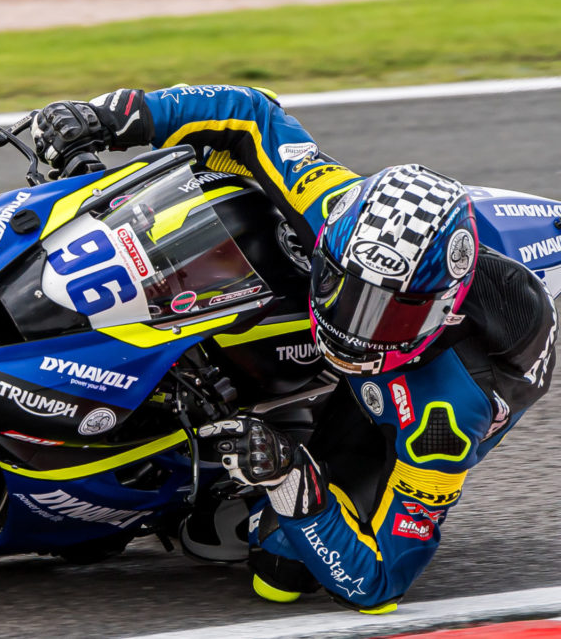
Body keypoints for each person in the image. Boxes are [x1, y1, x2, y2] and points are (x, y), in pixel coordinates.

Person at [29, 85, 558, 613]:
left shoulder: (446, 416)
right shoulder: (332, 206)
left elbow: (378, 580)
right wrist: (111, 116)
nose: (354, 326)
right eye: (342, 287)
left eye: (388, 314)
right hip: (425, 257)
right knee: (225, 200)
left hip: (429, 381)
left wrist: (288, 481)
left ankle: (265, 458)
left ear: (444, 308)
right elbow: (249, 113)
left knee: (280, 568)